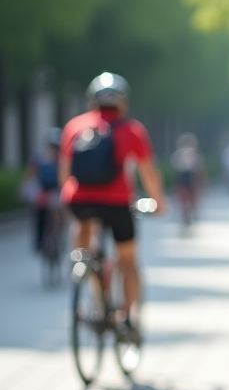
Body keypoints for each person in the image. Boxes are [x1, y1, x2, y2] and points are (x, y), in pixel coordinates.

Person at [59, 73, 167, 337]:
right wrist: (159, 202)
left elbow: (65, 173)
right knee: (127, 259)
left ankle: (86, 270)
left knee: (83, 227)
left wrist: (69, 196)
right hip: (117, 203)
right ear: (124, 103)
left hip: (79, 201)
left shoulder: (75, 127)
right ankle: (127, 319)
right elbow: (148, 174)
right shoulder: (132, 130)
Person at [23, 127, 62, 256]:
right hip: (42, 191)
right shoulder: (39, 157)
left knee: (61, 213)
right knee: (38, 212)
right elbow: (31, 175)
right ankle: (40, 241)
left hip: (57, 191)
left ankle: (59, 238)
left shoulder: (63, 159)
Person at [170, 132, 205, 231]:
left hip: (191, 180)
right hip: (183, 180)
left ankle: (191, 215)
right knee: (183, 201)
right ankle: (185, 218)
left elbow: (199, 170)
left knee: (192, 200)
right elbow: (176, 171)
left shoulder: (196, 155)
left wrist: (200, 182)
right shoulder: (178, 155)